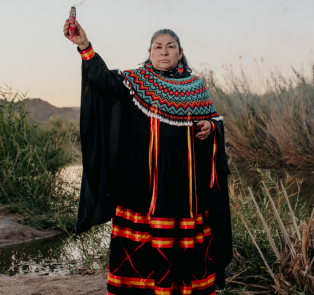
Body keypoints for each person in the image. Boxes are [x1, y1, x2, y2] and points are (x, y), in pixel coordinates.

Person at [63, 19, 232, 295]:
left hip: (183, 177)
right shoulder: (134, 80)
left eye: (170, 46)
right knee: (143, 230)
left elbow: (214, 119)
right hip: (142, 175)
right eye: (158, 47)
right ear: (150, 52)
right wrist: (84, 45)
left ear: (180, 52)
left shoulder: (196, 86)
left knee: (181, 232)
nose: (164, 51)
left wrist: (210, 127)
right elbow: (103, 80)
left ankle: (180, 286)